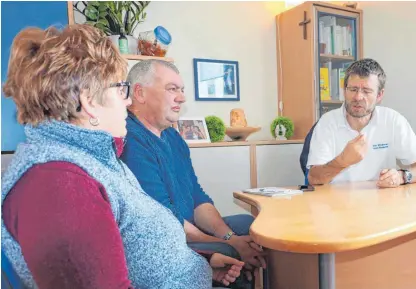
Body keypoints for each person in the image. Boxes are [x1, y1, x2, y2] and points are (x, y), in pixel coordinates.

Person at [1, 24, 243, 289]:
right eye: (120, 90)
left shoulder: (93, 159)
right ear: (89, 101)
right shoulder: (58, 185)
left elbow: (134, 249)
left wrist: (204, 263)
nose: (128, 102)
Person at [121, 60, 266, 287]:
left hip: (186, 227)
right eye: (172, 89)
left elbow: (197, 198)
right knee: (233, 252)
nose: (181, 98)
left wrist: (230, 236)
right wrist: (231, 244)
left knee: (248, 226)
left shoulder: (173, 138)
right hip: (164, 240)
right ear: (140, 93)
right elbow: (165, 220)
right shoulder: (131, 141)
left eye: (182, 90)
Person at [307, 58, 416, 187]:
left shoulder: (392, 120)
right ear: (344, 90)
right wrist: (342, 161)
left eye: (366, 91)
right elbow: (314, 178)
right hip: (338, 203)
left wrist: (402, 176)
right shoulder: (327, 122)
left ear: (379, 95)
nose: (358, 97)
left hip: (382, 202)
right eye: (353, 89)